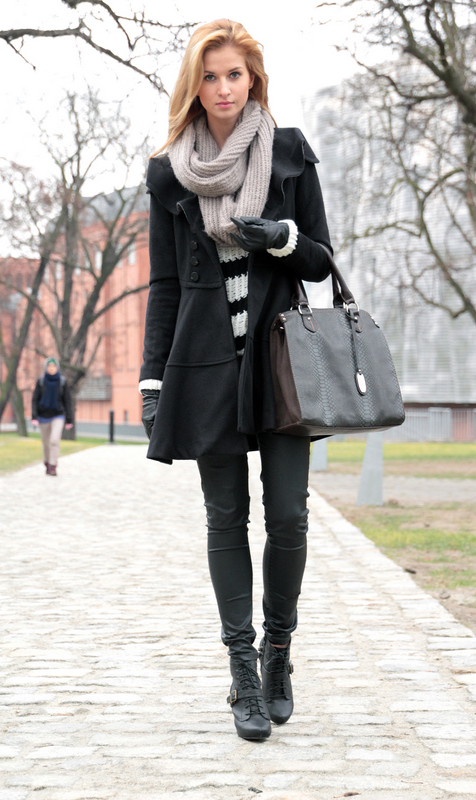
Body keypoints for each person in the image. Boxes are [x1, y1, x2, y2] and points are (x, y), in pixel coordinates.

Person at [139, 19, 332, 741]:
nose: (223, 89)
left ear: (254, 81)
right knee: (225, 518)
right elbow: (164, 285)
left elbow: (321, 261)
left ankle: (279, 652)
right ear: (194, 85)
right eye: (211, 76)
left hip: (282, 364)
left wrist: (280, 238)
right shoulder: (168, 173)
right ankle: (242, 671)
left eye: (235, 75)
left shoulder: (287, 152)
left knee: (288, 516)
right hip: (205, 365)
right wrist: (151, 380)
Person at [31, 357, 74, 476]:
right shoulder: (41, 382)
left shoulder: (62, 382)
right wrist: (34, 416)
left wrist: (69, 419)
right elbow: (35, 400)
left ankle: (53, 465)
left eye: (53, 366)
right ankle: (47, 462)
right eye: (49, 366)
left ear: (57, 368)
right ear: (46, 368)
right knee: (46, 443)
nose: (51, 368)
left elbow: (67, 401)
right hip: (43, 416)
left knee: (54, 440)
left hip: (58, 415)